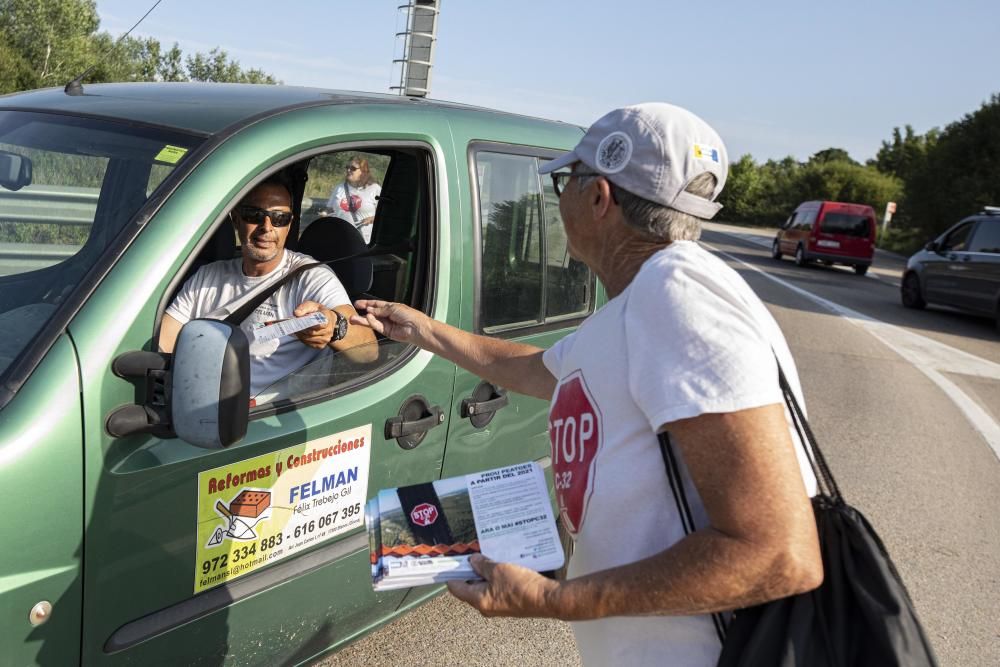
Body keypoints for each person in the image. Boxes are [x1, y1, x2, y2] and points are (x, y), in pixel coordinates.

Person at [351, 103, 823, 666]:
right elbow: (540, 370)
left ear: (600, 198)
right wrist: (426, 331)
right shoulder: (642, 298)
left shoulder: (681, 305)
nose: (558, 197)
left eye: (564, 180)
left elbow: (777, 553)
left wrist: (557, 599)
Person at [159, 176, 377, 398]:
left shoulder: (311, 277)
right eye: (254, 215)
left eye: (279, 218)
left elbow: (368, 350)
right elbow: (163, 342)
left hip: (265, 420)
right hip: (196, 402)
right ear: (236, 219)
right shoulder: (208, 276)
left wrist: (333, 325)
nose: (266, 227)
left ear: (289, 225)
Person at [326, 156, 381, 244]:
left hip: (363, 240)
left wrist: (372, 218)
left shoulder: (375, 189)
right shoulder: (339, 187)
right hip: (338, 237)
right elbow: (329, 209)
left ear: (363, 171)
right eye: (347, 167)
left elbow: (384, 214)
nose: (348, 170)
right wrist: (326, 214)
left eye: (352, 168)